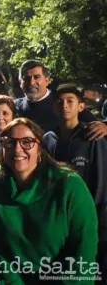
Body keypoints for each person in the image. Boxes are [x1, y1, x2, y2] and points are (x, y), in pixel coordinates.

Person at [0, 118, 99, 283]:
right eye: (9, 143)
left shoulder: (70, 184)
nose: (17, 149)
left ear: (40, 149)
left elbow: (84, 249)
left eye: (27, 142)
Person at [44, 84, 107, 274]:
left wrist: (95, 214)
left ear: (81, 106)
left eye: (70, 101)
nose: (64, 105)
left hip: (91, 218)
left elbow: (102, 180)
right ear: (53, 106)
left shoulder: (93, 137)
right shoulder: (47, 139)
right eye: (59, 102)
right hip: (58, 218)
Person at [15, 59, 106, 138]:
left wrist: (104, 126)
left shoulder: (64, 101)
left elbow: (97, 126)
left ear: (47, 81)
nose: (31, 82)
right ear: (20, 83)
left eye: (36, 77)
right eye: (26, 78)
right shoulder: (13, 107)